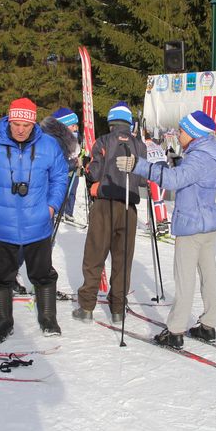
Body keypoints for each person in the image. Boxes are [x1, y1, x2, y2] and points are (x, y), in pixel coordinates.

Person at [117, 110, 216, 348]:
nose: (177, 134)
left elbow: (173, 181)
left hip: (192, 224)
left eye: (181, 131)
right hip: (207, 222)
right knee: (208, 275)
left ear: (192, 134)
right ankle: (209, 325)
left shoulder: (199, 157)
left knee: (185, 279)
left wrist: (139, 165)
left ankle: (175, 331)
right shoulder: (212, 152)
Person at [0, 97, 68, 342]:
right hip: (3, 225)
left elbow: (59, 178)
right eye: (16, 124)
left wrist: (51, 207)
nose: (20, 130)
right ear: (9, 120)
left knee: (43, 274)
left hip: (38, 224)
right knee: (2, 277)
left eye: (26, 125)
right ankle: (3, 322)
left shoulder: (49, 145)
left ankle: (48, 318)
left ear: (34, 123)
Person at [73, 101, 147, 324]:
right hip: (128, 207)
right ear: (129, 122)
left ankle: (86, 308)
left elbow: (94, 173)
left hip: (104, 203)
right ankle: (117, 308)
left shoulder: (103, 140)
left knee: (95, 255)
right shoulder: (139, 144)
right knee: (122, 258)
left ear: (111, 122)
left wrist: (86, 165)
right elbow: (143, 179)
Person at [40, 108, 81, 223]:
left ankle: (67, 212)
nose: (75, 128)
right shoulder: (54, 140)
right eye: (72, 125)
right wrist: (74, 163)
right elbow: (57, 166)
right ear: (64, 125)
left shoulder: (56, 138)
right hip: (44, 195)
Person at [144, 129, 171, 237]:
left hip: (155, 174)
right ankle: (164, 226)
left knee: (156, 201)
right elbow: (165, 158)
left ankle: (160, 227)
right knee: (161, 200)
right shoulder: (157, 145)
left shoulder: (143, 146)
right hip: (165, 172)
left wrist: (146, 179)